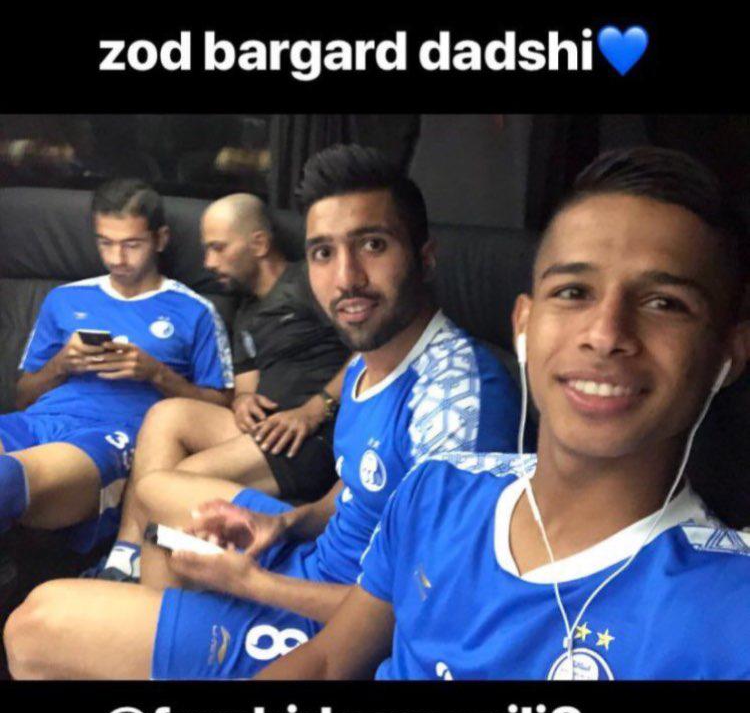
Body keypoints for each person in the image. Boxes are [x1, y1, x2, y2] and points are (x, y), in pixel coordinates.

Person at [4, 144, 521, 679]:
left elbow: (419, 611)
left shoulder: (454, 401)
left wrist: (253, 585)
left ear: (425, 257)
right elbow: (357, 490)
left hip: (337, 627)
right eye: (323, 252)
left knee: (32, 626)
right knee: (161, 510)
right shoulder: (368, 366)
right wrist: (284, 522)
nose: (346, 277)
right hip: (316, 561)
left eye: (373, 244)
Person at [252, 147, 750, 681]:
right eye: (573, 292)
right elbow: (328, 661)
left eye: (664, 303)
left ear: (730, 353)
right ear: (524, 325)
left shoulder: (727, 615)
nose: (605, 334)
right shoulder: (436, 490)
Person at [94, 192, 349, 581]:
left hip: (312, 433)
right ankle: (126, 556)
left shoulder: (311, 281)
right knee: (166, 414)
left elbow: (368, 351)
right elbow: (245, 387)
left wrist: (315, 408)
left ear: (258, 244)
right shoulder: (246, 312)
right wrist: (243, 401)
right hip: (268, 429)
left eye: (217, 248)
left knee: (170, 484)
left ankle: (154, 594)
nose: (208, 263)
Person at [0, 179, 234, 553]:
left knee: (6, 479)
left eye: (131, 244)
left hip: (108, 437)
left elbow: (220, 408)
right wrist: (61, 364)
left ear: (160, 239)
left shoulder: (195, 311)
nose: (116, 258)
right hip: (36, 421)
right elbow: (22, 396)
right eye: (105, 243)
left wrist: (155, 373)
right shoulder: (64, 299)